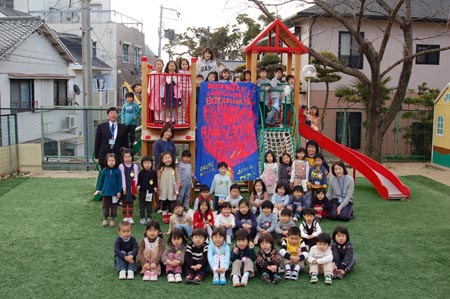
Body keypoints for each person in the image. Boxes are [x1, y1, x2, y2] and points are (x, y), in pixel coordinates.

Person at [96, 153, 122, 227]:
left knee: (114, 207)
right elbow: (101, 180)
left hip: (114, 193)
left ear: (115, 161)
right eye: (109, 161)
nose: (111, 162)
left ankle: (112, 220)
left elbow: (120, 182)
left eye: (112, 160)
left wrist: (119, 191)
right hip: (106, 193)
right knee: (105, 206)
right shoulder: (104, 170)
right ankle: (105, 219)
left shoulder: (117, 171)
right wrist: (99, 189)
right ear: (106, 161)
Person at [157, 151, 181, 219]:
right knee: (164, 201)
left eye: (169, 158)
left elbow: (177, 178)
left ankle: (170, 213)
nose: (168, 160)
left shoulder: (174, 168)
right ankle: (164, 214)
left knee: (171, 201)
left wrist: (178, 187)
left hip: (172, 188)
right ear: (162, 160)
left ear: (172, 159)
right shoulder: (161, 169)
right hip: (163, 188)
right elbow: (158, 179)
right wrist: (158, 188)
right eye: (166, 158)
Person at [119, 149, 138, 224]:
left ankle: (130, 217)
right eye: (125, 157)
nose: (127, 159)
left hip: (132, 187)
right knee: (124, 202)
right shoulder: (121, 166)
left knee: (130, 202)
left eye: (129, 157)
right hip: (125, 187)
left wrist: (134, 187)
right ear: (123, 158)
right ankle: (125, 217)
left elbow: (136, 177)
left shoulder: (135, 166)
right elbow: (122, 177)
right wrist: (124, 188)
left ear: (132, 157)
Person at [137, 156, 158, 225]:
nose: (147, 164)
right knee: (142, 206)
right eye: (145, 163)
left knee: (149, 206)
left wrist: (155, 187)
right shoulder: (141, 173)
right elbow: (139, 181)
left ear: (152, 164)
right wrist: (138, 185)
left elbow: (155, 181)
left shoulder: (154, 173)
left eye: (149, 163)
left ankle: (149, 217)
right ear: (142, 164)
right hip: (142, 192)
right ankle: (142, 217)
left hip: (150, 192)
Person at [149, 58, 165, 124]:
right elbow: (150, 82)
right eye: (157, 64)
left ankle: (161, 119)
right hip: (154, 91)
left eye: (160, 64)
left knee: (161, 105)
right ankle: (156, 119)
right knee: (155, 106)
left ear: (163, 65)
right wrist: (149, 90)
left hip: (161, 90)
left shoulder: (164, 74)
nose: (159, 66)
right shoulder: (153, 73)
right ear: (155, 66)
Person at [178, 57, 191, 124]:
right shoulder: (179, 72)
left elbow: (189, 83)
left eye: (186, 64)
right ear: (180, 65)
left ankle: (183, 119)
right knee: (179, 106)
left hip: (186, 91)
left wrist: (190, 90)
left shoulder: (188, 73)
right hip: (180, 92)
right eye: (183, 64)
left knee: (185, 107)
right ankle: (179, 119)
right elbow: (178, 81)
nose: (185, 66)